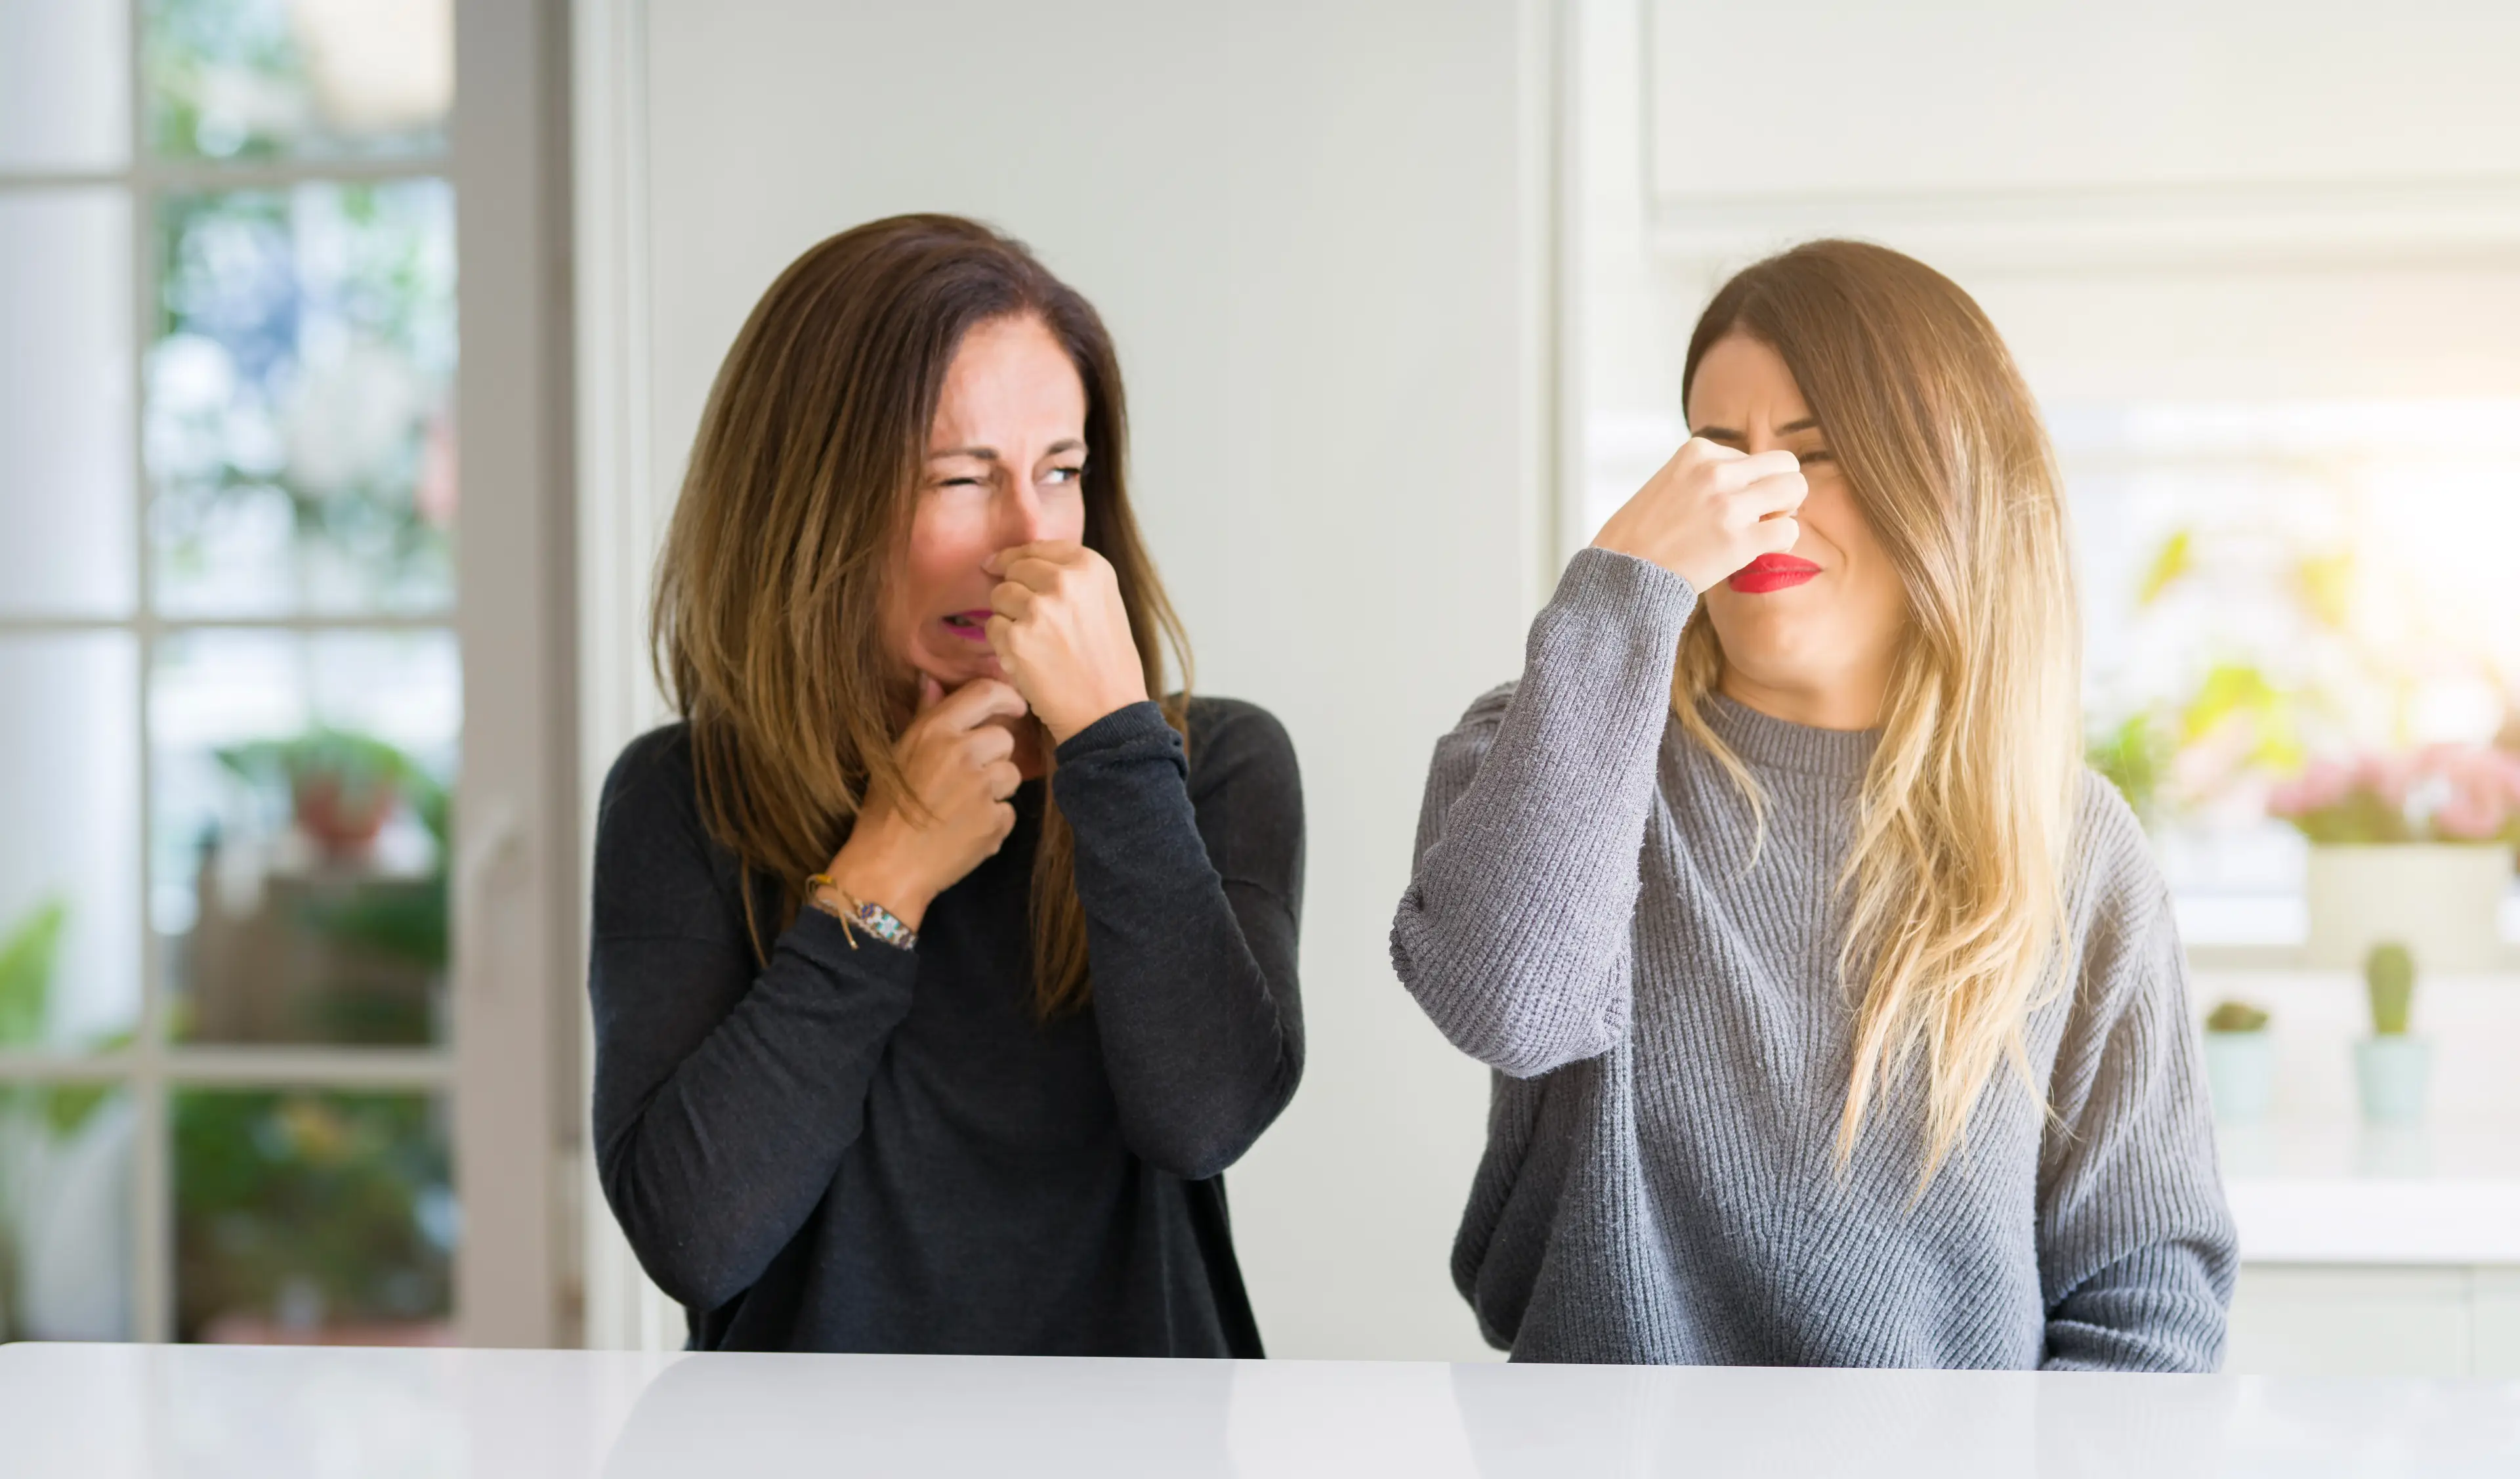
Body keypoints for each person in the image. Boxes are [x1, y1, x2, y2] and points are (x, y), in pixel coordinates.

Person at [1389, 240, 2235, 1369]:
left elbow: (2146, 1293)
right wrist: (1621, 589)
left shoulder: (2072, 841)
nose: (1757, 501)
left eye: (1815, 451)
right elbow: (1508, 1006)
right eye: (1714, 455)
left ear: (1939, 481)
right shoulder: (1546, 741)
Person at [591, 214, 1304, 1356]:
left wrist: (1115, 751)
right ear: (812, 504)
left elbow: (1205, 1118)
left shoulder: (1212, 766)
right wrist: (883, 883)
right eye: (961, 479)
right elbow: (694, 1236)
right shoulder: (683, 798)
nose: (1030, 538)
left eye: (1060, 472)